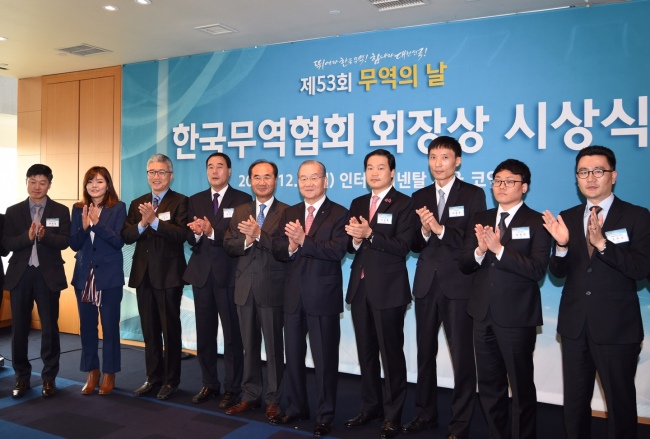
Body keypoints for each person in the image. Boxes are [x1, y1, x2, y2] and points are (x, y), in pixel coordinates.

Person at [542, 145, 650, 439]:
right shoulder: (568, 215)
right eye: (583, 172)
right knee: (575, 404)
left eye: (598, 171)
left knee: (620, 404)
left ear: (613, 176)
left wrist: (603, 244)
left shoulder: (638, 216)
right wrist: (562, 246)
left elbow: (641, 269)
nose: (591, 177)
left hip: (617, 328)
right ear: (576, 178)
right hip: (575, 325)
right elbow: (558, 272)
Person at [459, 159, 551, 439]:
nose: (501, 186)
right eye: (497, 180)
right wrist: (478, 250)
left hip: (517, 316)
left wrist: (499, 250)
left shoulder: (537, 221)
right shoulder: (481, 217)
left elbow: (536, 270)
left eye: (509, 181)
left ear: (524, 187)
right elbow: (465, 264)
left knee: (521, 386)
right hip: (482, 313)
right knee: (489, 385)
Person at [404, 136, 486, 439]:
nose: (438, 163)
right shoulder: (420, 195)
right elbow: (413, 242)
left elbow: (471, 241)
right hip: (426, 284)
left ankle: (460, 423)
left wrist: (440, 229)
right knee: (424, 354)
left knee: (462, 357)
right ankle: (425, 415)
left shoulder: (474, 195)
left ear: (458, 161)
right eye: (433, 157)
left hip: (458, 284)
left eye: (445, 157)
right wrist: (425, 232)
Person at [271, 160, 349, 437]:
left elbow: (338, 250)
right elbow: (278, 249)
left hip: (323, 297)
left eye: (314, 177)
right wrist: (290, 245)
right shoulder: (290, 212)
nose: (308, 183)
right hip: (292, 295)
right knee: (292, 356)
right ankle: (295, 407)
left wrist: (304, 240)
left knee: (325, 360)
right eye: (303, 178)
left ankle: (325, 415)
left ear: (325, 181)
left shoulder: (340, 213)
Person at [343, 149, 415, 439]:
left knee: (391, 355)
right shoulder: (358, 202)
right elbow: (349, 247)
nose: (374, 173)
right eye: (369, 168)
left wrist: (370, 234)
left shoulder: (404, 203)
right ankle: (370, 407)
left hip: (389, 291)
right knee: (367, 354)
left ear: (392, 172)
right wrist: (356, 239)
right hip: (360, 288)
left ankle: (393, 415)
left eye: (380, 168)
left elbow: (403, 246)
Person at [183, 152, 252, 407]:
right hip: (202, 275)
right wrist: (199, 234)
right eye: (210, 167)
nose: (214, 171)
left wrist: (212, 231)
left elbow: (239, 236)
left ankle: (232, 388)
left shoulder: (243, 199)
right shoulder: (196, 200)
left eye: (220, 167)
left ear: (230, 171)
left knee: (233, 335)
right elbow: (189, 239)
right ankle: (209, 383)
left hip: (230, 274)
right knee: (205, 333)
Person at [223, 159, 288, 419]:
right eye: (257, 177)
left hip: (272, 287)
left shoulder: (287, 211)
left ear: (276, 180)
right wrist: (247, 241)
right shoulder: (240, 211)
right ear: (249, 181)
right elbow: (229, 244)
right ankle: (250, 395)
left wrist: (260, 234)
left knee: (273, 348)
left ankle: (274, 398)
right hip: (244, 288)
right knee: (248, 346)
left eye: (267, 177)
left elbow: (284, 249)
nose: (262, 182)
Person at [121, 153, 188, 400]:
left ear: (170, 175)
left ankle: (171, 381)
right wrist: (142, 224)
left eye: (161, 172)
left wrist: (155, 222)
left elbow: (182, 235)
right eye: (152, 172)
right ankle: (153, 378)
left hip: (169, 276)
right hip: (143, 275)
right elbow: (126, 236)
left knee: (170, 330)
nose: (156, 177)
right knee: (149, 331)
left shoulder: (181, 201)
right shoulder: (138, 202)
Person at [2, 164, 71, 398]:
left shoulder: (60, 210)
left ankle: (49, 378)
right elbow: (8, 244)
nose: (37, 187)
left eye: (42, 182)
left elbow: (65, 241)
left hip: (47, 277)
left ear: (50, 184)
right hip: (20, 277)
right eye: (32, 181)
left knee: (50, 330)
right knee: (19, 329)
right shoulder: (13, 212)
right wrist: (27, 237)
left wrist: (44, 236)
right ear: (26, 182)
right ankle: (21, 378)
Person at [69, 167, 126, 395]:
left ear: (107, 184)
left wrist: (96, 224)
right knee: (87, 328)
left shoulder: (118, 208)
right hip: (84, 276)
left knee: (110, 327)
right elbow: (73, 244)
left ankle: (110, 373)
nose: (94, 185)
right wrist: (83, 227)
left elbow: (118, 241)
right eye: (90, 181)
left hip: (109, 276)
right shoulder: (77, 209)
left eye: (99, 181)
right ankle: (92, 372)